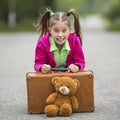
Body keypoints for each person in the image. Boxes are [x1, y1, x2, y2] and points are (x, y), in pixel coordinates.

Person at [34, 8, 85, 73]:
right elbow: (38, 64)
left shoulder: (75, 41)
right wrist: (41, 67)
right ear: (50, 30)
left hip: (70, 77)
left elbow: (80, 62)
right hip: (49, 77)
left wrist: (77, 66)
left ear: (69, 30)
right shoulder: (42, 43)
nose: (60, 35)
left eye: (64, 30)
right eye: (56, 30)